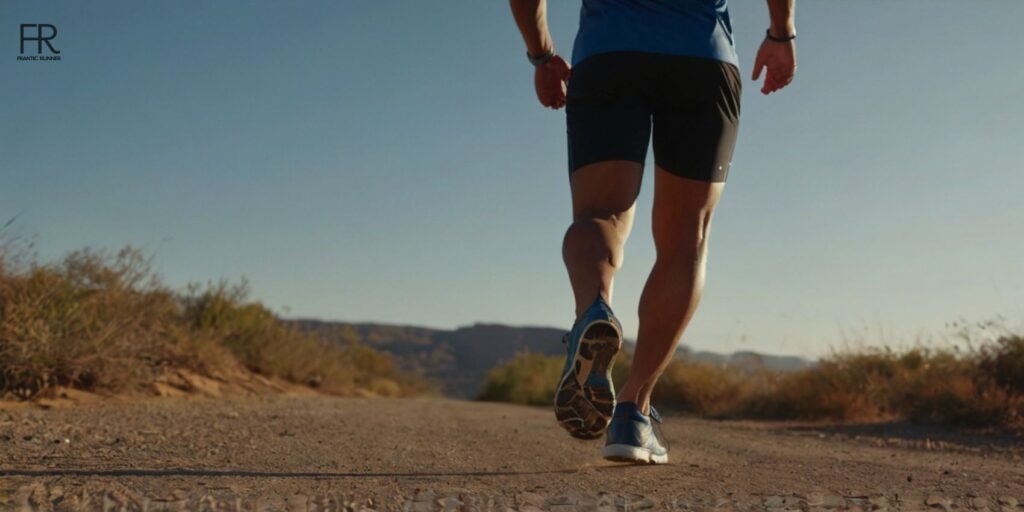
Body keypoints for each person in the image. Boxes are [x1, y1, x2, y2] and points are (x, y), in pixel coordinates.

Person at [509, 0, 797, 464]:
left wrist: (541, 55)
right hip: (702, 56)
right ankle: (632, 410)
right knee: (686, 239)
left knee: (599, 215)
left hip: (608, 54)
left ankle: (594, 308)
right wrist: (782, 32)